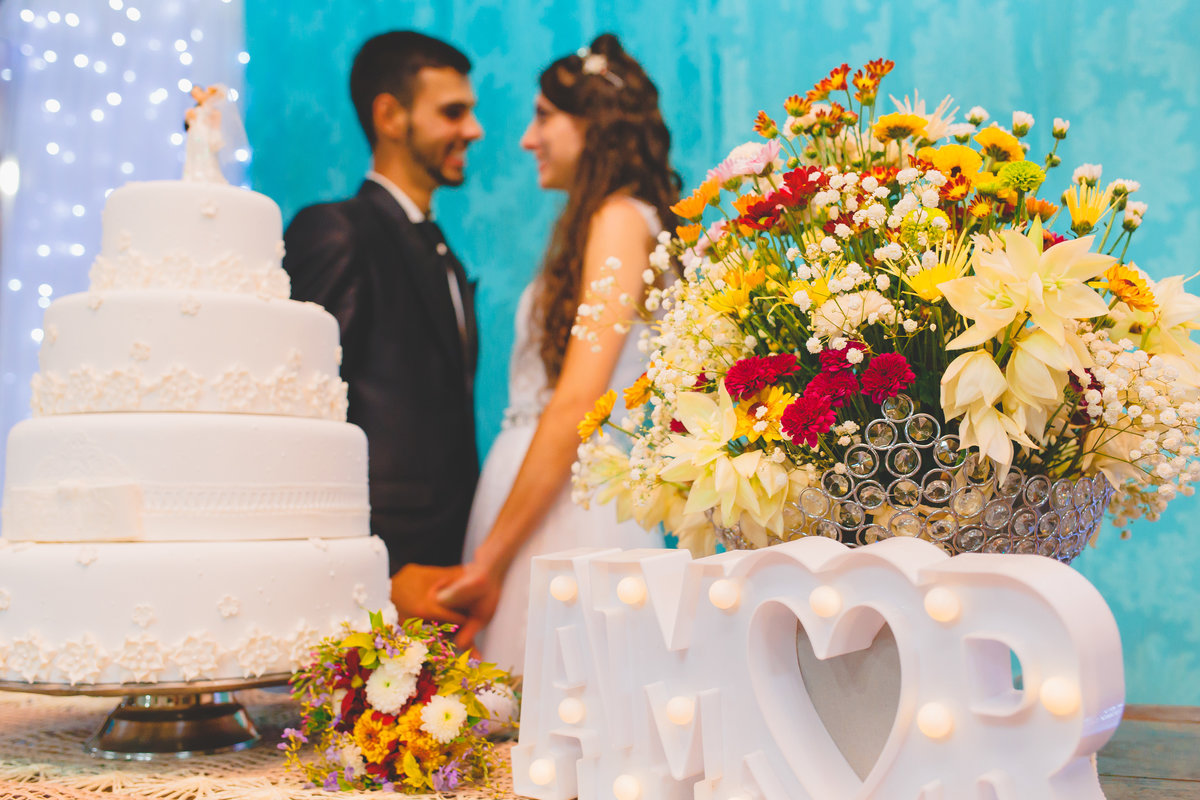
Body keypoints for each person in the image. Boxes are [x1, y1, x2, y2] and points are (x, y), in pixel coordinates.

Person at [440, 34, 680, 671]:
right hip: (539, 487)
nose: (526, 138)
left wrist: (488, 563)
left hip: (567, 504)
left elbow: (579, 397)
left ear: (594, 126)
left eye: (544, 116)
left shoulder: (620, 220)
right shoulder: (608, 221)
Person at [282, 31, 483, 624]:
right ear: (390, 115)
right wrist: (373, 575)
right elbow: (305, 409)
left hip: (447, 553)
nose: (473, 130)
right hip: (378, 561)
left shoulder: (443, 249)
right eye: (453, 112)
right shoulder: (337, 230)